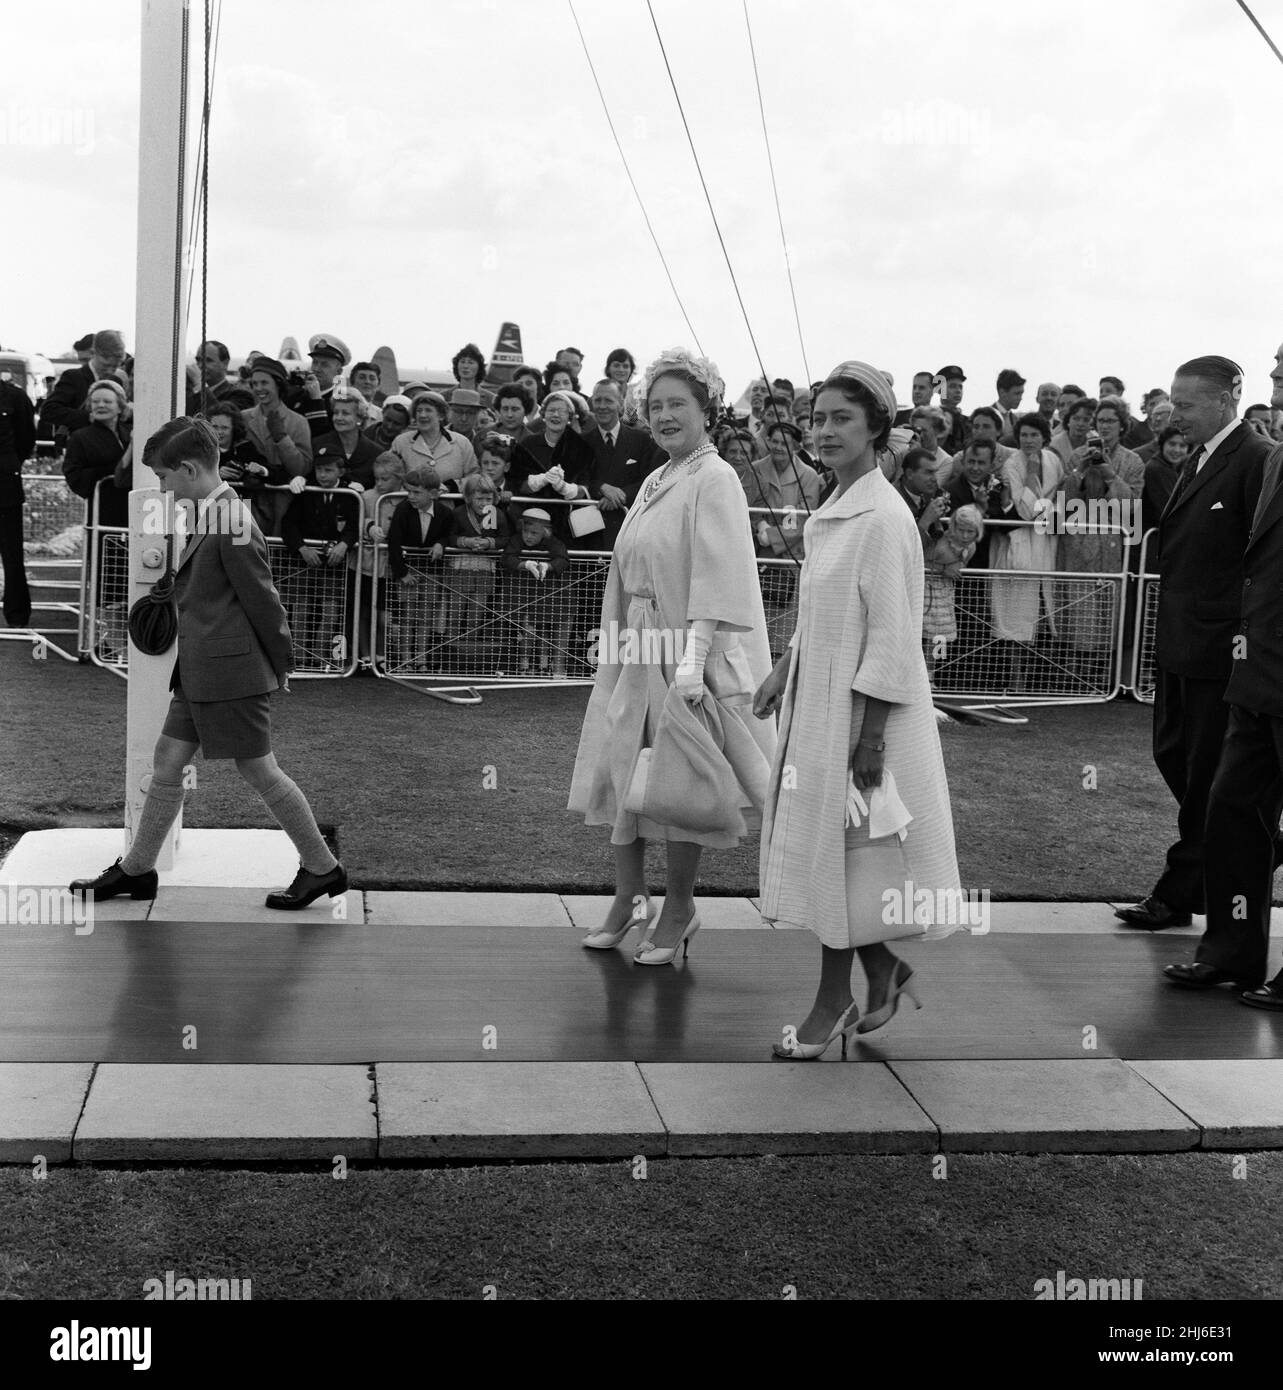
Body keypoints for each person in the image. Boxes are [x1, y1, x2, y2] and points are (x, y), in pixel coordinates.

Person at [754, 361, 960, 1057]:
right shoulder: (835, 507)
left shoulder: (881, 517)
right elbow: (826, 613)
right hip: (821, 707)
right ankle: (883, 970)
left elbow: (892, 638)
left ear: (876, 429)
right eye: (819, 418)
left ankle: (831, 1002)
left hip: (864, 721)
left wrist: (869, 743)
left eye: (842, 417)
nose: (826, 429)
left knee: (840, 858)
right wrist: (786, 668)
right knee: (839, 856)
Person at [70, 418, 346, 910]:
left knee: (261, 771)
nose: (161, 487)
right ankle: (137, 870)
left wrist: (281, 665)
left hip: (230, 673)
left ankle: (323, 867)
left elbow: (264, 600)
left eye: (163, 477)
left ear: (190, 468)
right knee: (168, 763)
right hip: (201, 672)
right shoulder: (211, 512)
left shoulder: (232, 520)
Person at [569, 347, 776, 964]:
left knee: (679, 775)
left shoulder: (715, 478)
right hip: (636, 645)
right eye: (655, 405)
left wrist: (693, 662)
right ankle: (631, 897)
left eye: (676, 404)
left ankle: (680, 906)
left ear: (705, 409)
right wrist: (610, 635)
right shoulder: (659, 477)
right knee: (619, 762)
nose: (663, 415)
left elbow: (720, 572)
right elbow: (627, 568)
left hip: (686, 653)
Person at [1116, 356, 1271, 931]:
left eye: (1185, 405)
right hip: (1181, 642)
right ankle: (1256, 839)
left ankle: (1181, 889)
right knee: (1175, 756)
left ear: (1225, 402)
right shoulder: (1199, 457)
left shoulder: (1255, 459)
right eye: (1173, 404)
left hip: (1220, 650)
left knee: (1205, 771)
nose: (1173, 415)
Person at [1164, 343, 1283, 1008]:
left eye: (1282, 371)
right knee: (1230, 813)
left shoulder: (1260, 457)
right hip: (1257, 670)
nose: (1273, 379)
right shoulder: (1274, 458)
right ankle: (1231, 953)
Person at [989, 411, 1063, 692]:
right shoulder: (1012, 465)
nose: (1029, 440)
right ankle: (1015, 679)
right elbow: (1024, 510)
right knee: (1014, 614)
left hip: (1044, 543)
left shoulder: (1053, 460)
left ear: (1044, 437)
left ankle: (1034, 679)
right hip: (1017, 544)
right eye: (1024, 435)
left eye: (1034, 434)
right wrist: (1031, 475)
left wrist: (1049, 512)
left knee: (1040, 613)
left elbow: (1057, 498)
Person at [279, 452, 361, 668]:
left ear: (341, 471)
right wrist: (302, 548)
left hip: (335, 564)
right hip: (304, 561)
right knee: (300, 608)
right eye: (319, 470)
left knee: (330, 609)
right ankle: (297, 656)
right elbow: (288, 524)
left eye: (329, 470)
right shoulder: (306, 491)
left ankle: (320, 656)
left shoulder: (350, 493)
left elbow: (355, 525)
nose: (322, 475)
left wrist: (345, 544)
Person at [387, 464, 452, 670]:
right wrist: (402, 572)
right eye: (409, 491)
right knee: (408, 616)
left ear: (433, 494)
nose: (411, 496)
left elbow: (448, 533)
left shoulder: (444, 512)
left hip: (432, 571)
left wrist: (441, 543)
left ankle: (422, 659)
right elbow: (393, 542)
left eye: (416, 492)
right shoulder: (403, 509)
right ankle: (406, 659)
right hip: (409, 570)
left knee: (426, 616)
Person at [501, 506, 570, 675]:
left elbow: (563, 558)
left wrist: (548, 565)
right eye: (526, 531)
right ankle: (524, 665)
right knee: (527, 630)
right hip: (522, 595)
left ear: (545, 532)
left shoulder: (554, 542)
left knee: (544, 630)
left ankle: (543, 665)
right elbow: (507, 558)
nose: (528, 536)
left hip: (545, 595)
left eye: (534, 533)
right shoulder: (516, 540)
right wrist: (524, 564)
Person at [922, 505, 983, 682]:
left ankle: (930, 677)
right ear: (954, 527)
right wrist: (943, 570)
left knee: (939, 637)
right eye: (961, 530)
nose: (965, 536)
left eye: (970, 531)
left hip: (946, 593)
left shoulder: (971, 547)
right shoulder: (939, 539)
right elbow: (920, 560)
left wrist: (949, 571)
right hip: (924, 589)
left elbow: (959, 568)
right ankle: (920, 678)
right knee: (921, 636)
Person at [40, 330, 127, 443]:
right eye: (106, 365)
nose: (110, 371)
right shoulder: (73, 377)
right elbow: (48, 411)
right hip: (80, 447)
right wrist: (89, 417)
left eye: (115, 367)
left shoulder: (116, 382)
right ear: (94, 353)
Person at [0, 372, 37, 628]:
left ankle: (17, 616)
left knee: (12, 555)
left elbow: (26, 440)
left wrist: (9, 464)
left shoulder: (14, 397)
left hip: (5, 486)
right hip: (7, 480)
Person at [390, 391, 478, 488]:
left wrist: (451, 487)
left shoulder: (462, 443)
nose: (423, 415)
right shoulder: (401, 442)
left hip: (451, 502)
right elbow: (391, 475)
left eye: (428, 410)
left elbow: (473, 477)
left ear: (441, 416)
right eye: (419, 411)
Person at [311, 390, 382, 489]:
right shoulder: (318, 444)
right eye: (336, 413)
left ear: (359, 418)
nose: (338, 418)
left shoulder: (375, 452)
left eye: (345, 413)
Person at [1140, 424, 1188, 528]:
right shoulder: (1157, 469)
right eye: (1172, 444)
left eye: (1182, 446)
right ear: (1162, 445)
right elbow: (1171, 511)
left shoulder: (1172, 467)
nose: (1176, 450)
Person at [451, 343, 493, 408]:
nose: (465, 366)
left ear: (479, 367)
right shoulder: (444, 397)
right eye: (462, 362)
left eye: (470, 362)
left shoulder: (491, 399)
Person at [993, 368, 1026, 440]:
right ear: (1002, 392)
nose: (1020, 398)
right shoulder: (986, 417)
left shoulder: (1016, 420)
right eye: (1017, 394)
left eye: (1021, 393)